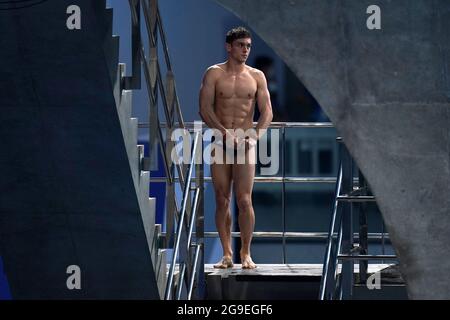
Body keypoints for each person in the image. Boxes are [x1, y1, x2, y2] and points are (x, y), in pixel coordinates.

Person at [198, 27, 273, 269]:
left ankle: (246, 253)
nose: (245, 50)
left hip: (245, 143)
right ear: (229, 47)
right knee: (222, 199)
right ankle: (227, 253)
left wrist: (254, 137)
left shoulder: (257, 76)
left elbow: (267, 112)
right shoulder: (214, 74)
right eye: (241, 45)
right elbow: (205, 108)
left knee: (244, 200)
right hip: (220, 143)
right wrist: (223, 132)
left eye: (248, 46)